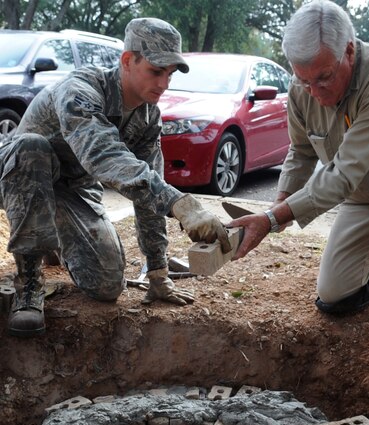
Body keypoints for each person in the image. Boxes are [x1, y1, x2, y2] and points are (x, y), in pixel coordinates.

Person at [0, 17, 230, 338]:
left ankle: (56, 241)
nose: (164, 83)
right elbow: (103, 155)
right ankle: (28, 285)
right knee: (30, 147)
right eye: (155, 71)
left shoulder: (148, 116)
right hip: (19, 176)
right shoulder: (80, 91)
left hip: (73, 192)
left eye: (169, 74)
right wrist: (181, 205)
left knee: (107, 284)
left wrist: (157, 271)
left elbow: (147, 183)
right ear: (127, 60)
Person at [228, 0, 369, 315]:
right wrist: (280, 205)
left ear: (349, 51)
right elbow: (301, 150)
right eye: (303, 80)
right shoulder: (301, 86)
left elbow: (342, 176)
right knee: (335, 293)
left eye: (324, 78)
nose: (313, 91)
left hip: (361, 182)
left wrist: (274, 218)